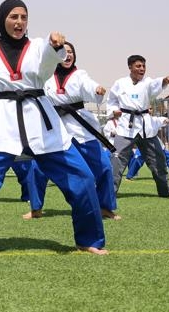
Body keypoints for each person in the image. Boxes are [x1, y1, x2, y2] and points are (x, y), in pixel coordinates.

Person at [0, 0, 106, 256]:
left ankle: (88, 239)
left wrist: (54, 46)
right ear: (2, 19)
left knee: (83, 178)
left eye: (23, 17)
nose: (19, 22)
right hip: (4, 125)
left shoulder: (39, 46)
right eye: (13, 17)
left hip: (41, 123)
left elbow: (48, 65)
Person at [44, 41, 119, 220]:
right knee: (37, 169)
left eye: (71, 52)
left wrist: (97, 89)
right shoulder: (45, 75)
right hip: (55, 127)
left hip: (80, 127)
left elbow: (88, 84)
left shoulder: (80, 74)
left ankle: (105, 207)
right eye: (63, 51)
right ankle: (36, 208)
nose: (68, 55)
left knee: (104, 166)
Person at [107, 55, 169, 198]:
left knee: (158, 159)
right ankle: (109, 194)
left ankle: (165, 192)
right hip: (126, 125)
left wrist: (164, 80)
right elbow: (112, 100)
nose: (142, 69)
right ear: (130, 67)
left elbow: (155, 84)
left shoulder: (147, 82)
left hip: (145, 125)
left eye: (144, 66)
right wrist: (113, 111)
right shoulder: (120, 83)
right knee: (117, 159)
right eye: (138, 66)